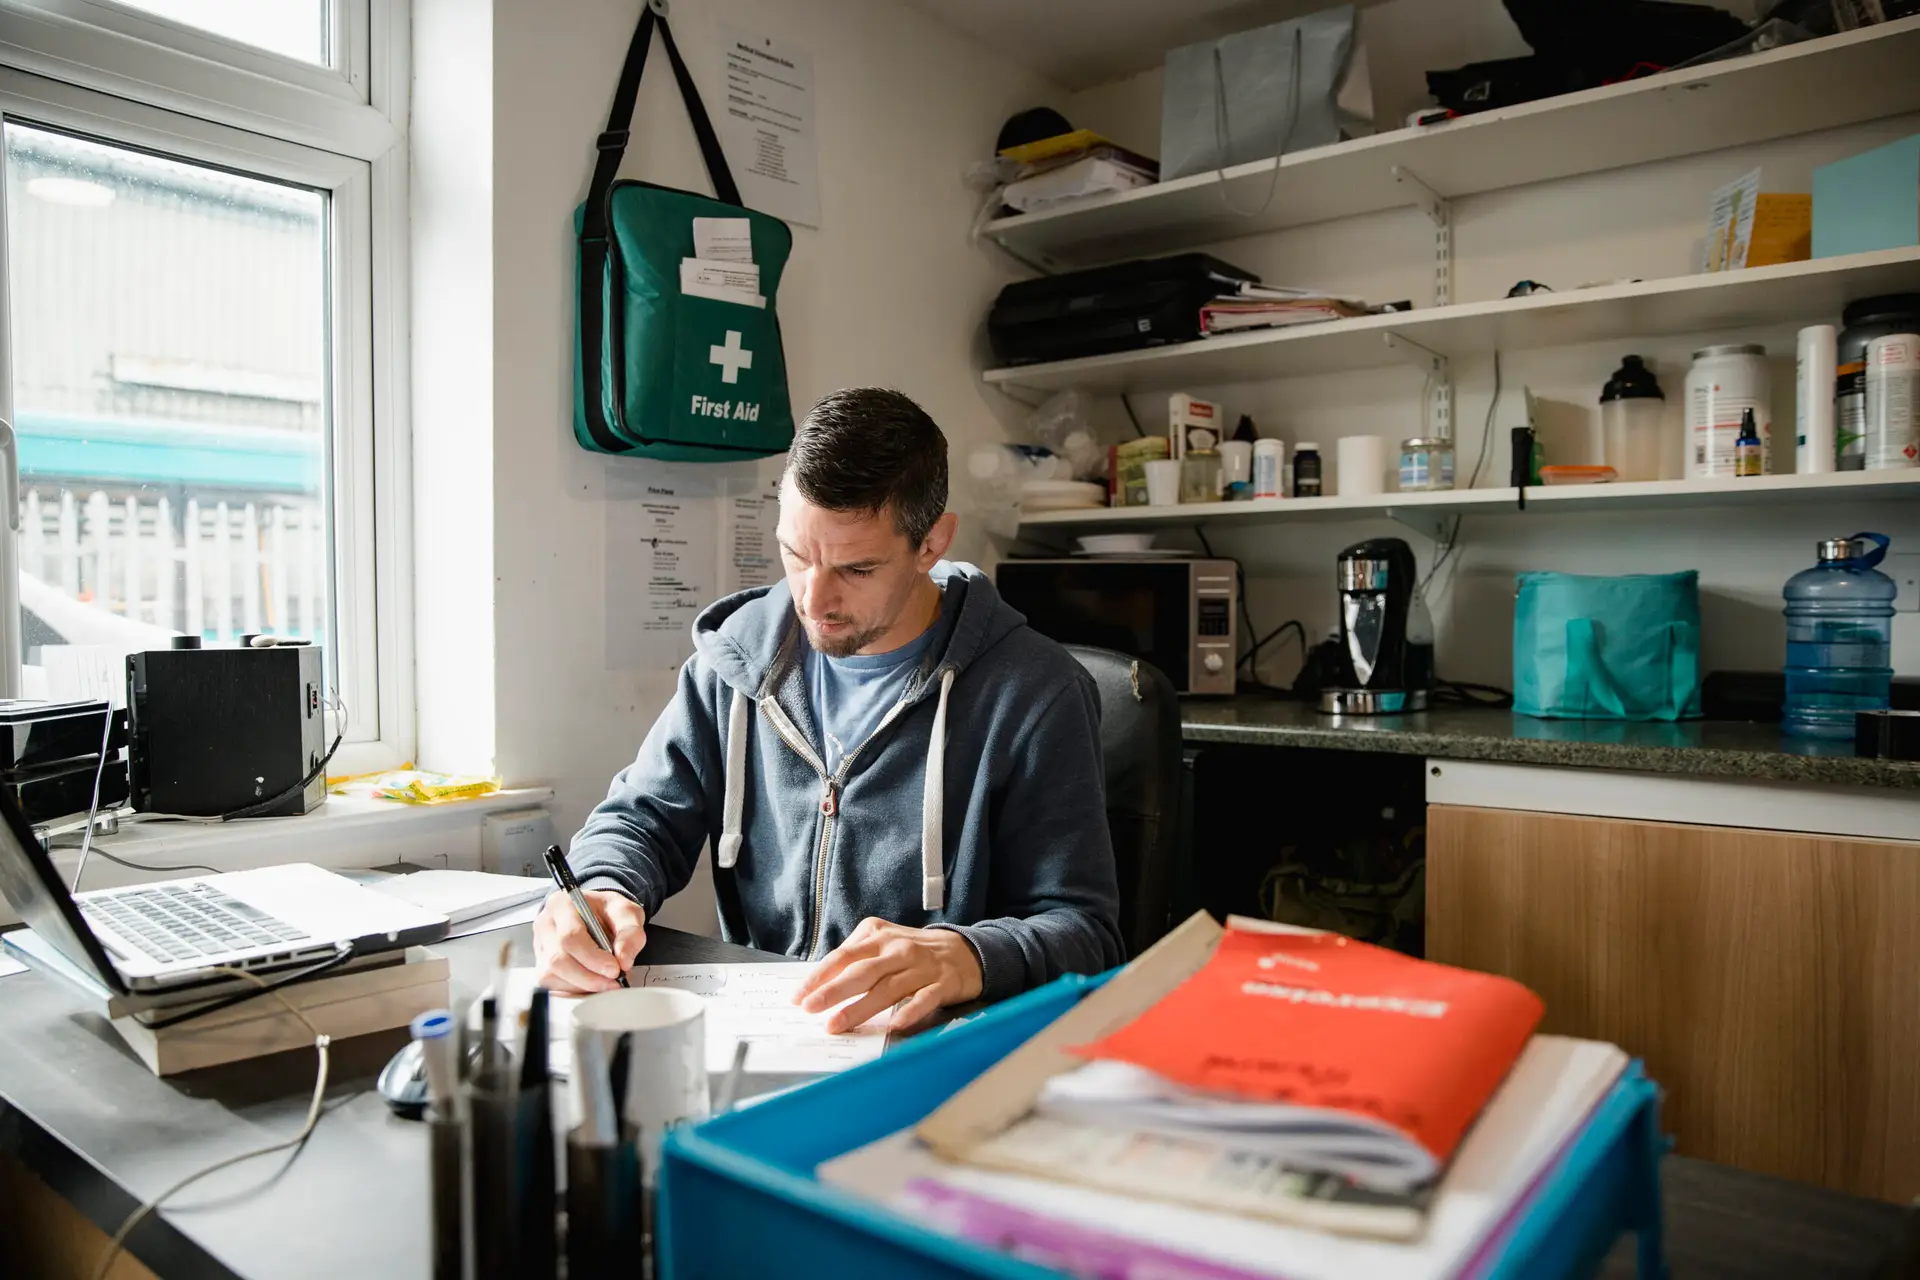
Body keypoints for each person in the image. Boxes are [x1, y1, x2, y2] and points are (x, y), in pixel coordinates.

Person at [536, 388, 1124, 1032]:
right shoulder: (734, 663)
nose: (814, 598)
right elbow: (641, 819)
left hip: (931, 1053)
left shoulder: (1036, 693)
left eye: (857, 568)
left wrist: (969, 955)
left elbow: (1087, 933)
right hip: (764, 1034)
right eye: (796, 554)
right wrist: (599, 890)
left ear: (932, 544)